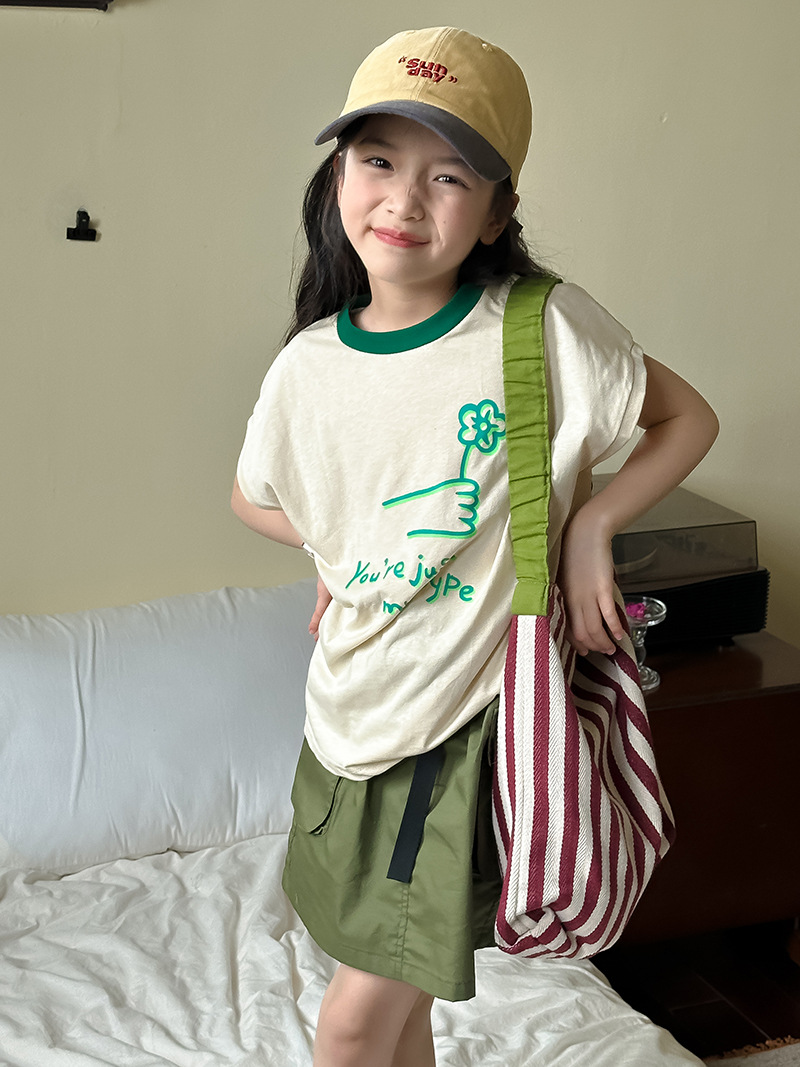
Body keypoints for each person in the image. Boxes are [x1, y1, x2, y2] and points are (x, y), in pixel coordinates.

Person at [231, 26, 718, 1067]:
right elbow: (253, 497)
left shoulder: (538, 327)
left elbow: (686, 418)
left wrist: (589, 525)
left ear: (497, 212)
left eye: (447, 175)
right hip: (347, 716)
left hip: (459, 727)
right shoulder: (308, 366)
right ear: (337, 177)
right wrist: (341, 555)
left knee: (352, 1021)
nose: (404, 200)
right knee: (398, 1010)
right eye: (377, 160)